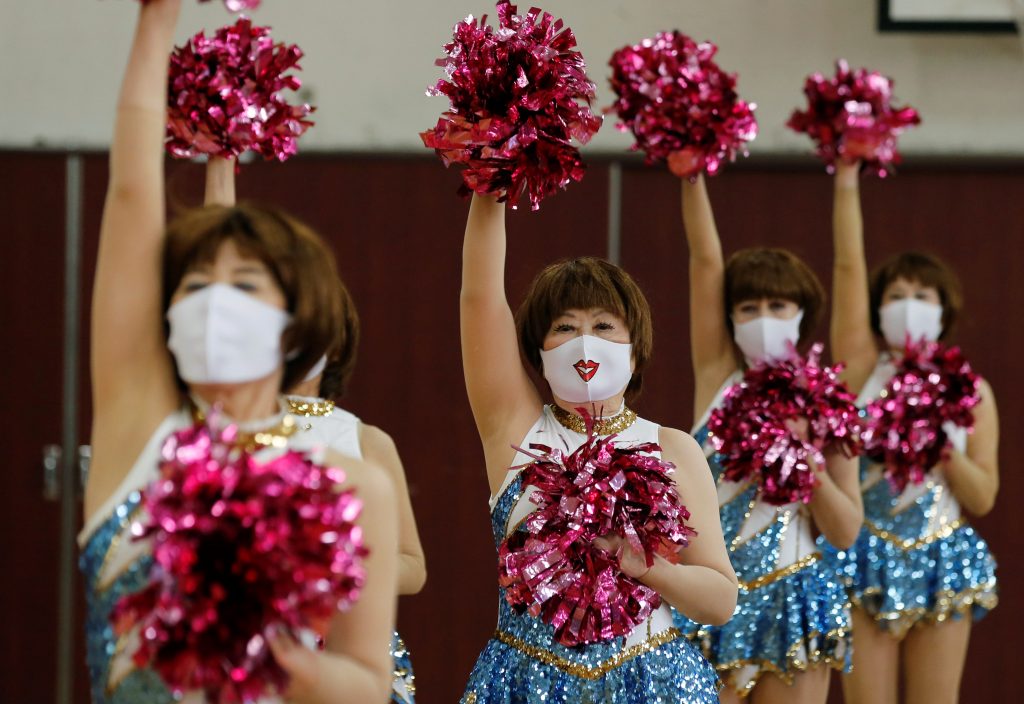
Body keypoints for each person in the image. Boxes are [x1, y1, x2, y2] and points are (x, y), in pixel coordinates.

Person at [80, 2, 397, 702]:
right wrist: (156, 20)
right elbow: (132, 194)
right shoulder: (139, 434)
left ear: (295, 322)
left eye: (246, 283)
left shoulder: (353, 486)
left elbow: (369, 686)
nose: (214, 300)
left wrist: (278, 650)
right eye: (196, 283)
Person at [458, 194, 737, 704]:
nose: (584, 343)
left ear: (636, 345)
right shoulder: (515, 428)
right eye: (565, 327)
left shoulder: (673, 447)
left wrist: (646, 565)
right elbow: (480, 298)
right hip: (526, 684)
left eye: (604, 326)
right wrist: (487, 186)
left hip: (655, 686)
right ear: (538, 351)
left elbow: (721, 600)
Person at [206, 153, 427, 704]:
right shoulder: (233, 420)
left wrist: (326, 571)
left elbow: (412, 567)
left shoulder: (368, 441)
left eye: (313, 326)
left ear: (337, 337)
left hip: (347, 656)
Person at [677, 172, 863, 703]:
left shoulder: (829, 405)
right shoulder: (717, 376)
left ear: (801, 316)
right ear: (730, 318)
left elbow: (847, 530)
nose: (763, 320)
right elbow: (704, 263)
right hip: (711, 593)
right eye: (748, 308)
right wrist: (691, 176)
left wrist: (808, 459)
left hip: (795, 593)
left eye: (777, 307)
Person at [827, 159, 999, 704]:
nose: (909, 305)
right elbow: (848, 266)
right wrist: (847, 176)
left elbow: (983, 496)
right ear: (878, 311)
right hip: (866, 554)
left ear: (944, 311)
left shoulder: (974, 391)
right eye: (896, 294)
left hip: (941, 556)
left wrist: (940, 446)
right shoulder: (861, 370)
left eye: (922, 296)